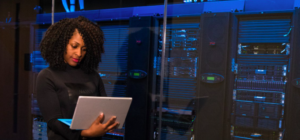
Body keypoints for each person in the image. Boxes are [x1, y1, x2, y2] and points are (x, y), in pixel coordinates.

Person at [36, 16, 118, 140]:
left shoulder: (93, 76)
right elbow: (53, 120)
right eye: (74, 46)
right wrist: (84, 134)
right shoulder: (47, 76)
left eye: (84, 49)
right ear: (61, 44)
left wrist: (107, 124)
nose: (79, 54)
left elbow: (103, 110)